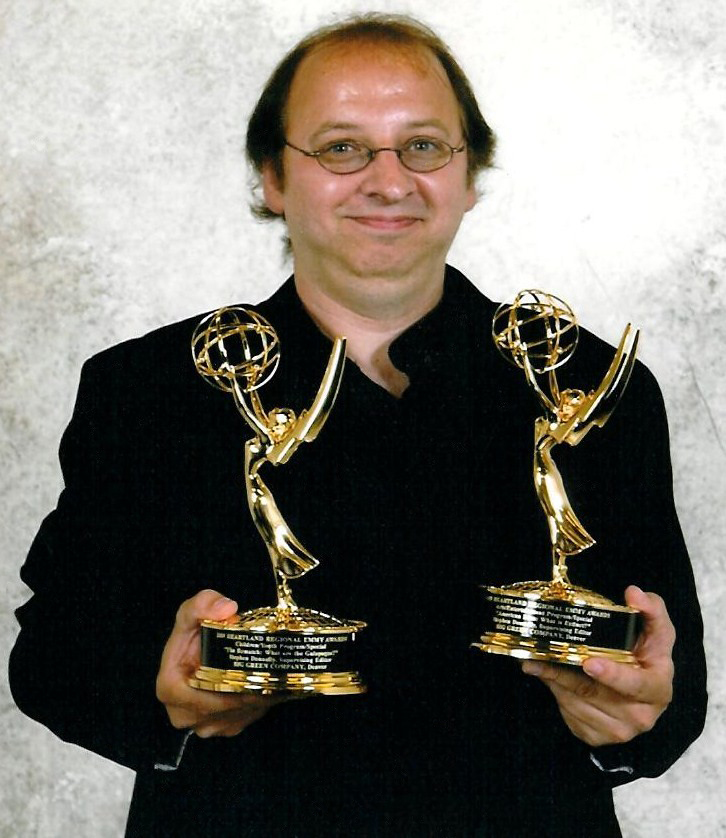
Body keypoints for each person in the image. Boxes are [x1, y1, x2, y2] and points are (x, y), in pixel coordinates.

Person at [9, 13, 706, 837]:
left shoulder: (594, 384)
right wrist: (160, 696)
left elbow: (675, 684)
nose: (388, 180)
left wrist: (631, 721)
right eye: (341, 148)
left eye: (423, 146)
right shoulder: (147, 389)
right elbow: (52, 657)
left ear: (469, 175)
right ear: (272, 178)